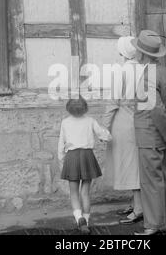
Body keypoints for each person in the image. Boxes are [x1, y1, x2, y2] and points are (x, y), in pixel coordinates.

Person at [131, 30, 166, 236]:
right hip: (164, 134)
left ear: (143, 54)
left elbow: (156, 109)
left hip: (150, 136)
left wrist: (165, 134)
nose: (136, 53)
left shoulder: (146, 77)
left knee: (151, 180)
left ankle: (154, 225)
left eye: (138, 50)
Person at [102, 36, 143, 225]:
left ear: (123, 53)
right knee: (134, 163)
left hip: (123, 123)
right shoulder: (143, 70)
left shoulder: (121, 73)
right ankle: (135, 202)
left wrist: (105, 127)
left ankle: (139, 208)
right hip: (139, 121)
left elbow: (112, 103)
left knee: (129, 165)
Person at [58, 96, 112, 234]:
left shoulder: (65, 122)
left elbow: (61, 143)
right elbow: (103, 135)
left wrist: (61, 159)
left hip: (71, 157)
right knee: (85, 192)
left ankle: (78, 218)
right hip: (87, 156)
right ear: (85, 108)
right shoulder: (90, 121)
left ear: (68, 108)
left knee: (74, 192)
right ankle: (86, 222)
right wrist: (107, 136)